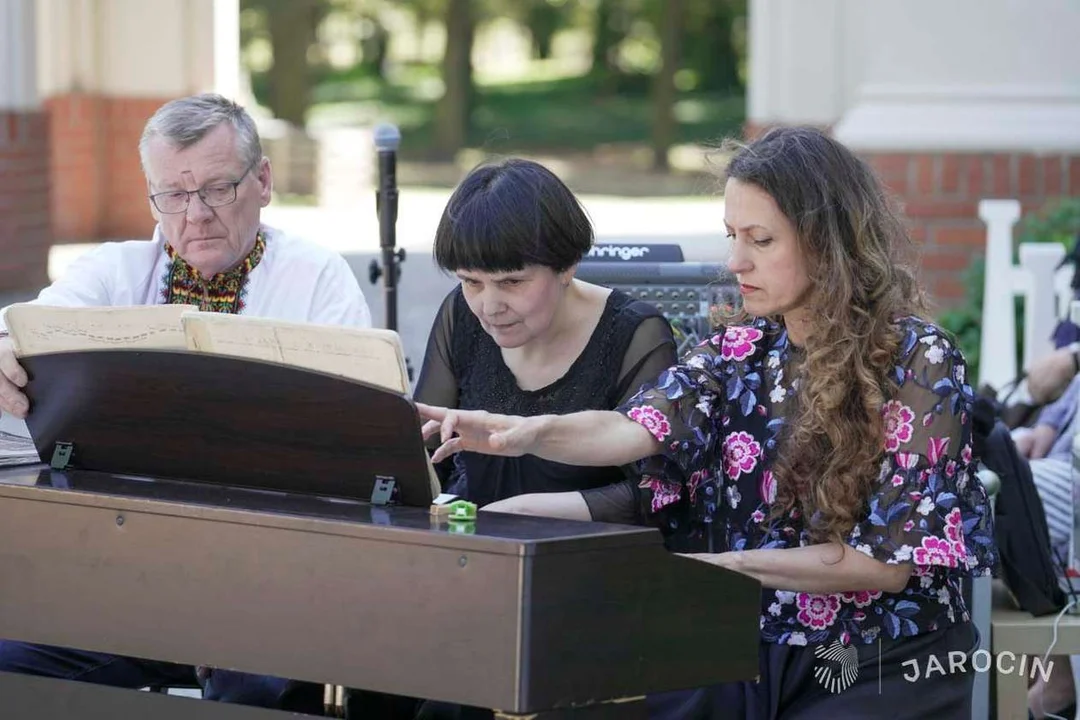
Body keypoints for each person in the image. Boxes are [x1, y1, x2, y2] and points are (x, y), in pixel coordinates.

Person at [417, 127, 998, 719]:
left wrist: (712, 569)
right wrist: (526, 432)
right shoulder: (740, 348)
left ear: (829, 244)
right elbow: (633, 428)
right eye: (732, 236)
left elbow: (884, 567)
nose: (735, 261)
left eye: (761, 240)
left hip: (882, 659)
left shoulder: (920, 358)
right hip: (743, 646)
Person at [0, 92, 371, 712]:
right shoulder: (118, 271)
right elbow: (26, 327)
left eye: (216, 189)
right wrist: (6, 345)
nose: (193, 214)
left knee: (257, 683)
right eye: (171, 194)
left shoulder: (316, 279)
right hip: (132, 581)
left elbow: (354, 453)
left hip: (274, 583)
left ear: (263, 181)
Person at [346, 157, 679, 720]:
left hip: (579, 589)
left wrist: (526, 514)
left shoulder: (635, 334)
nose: (488, 305)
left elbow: (654, 498)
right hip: (470, 570)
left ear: (567, 264)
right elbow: (424, 454)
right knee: (362, 670)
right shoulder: (463, 317)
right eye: (471, 282)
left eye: (512, 282)